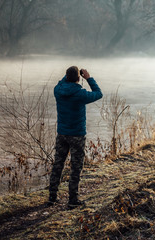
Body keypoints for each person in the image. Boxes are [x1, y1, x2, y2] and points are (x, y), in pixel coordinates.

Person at [48, 66, 103, 209]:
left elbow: (61, 83)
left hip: (62, 134)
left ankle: (52, 197)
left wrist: (68, 78)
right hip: (77, 135)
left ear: (65, 77)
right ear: (78, 78)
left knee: (58, 165)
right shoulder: (80, 94)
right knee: (76, 167)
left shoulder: (58, 90)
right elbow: (98, 93)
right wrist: (89, 78)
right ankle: (72, 200)